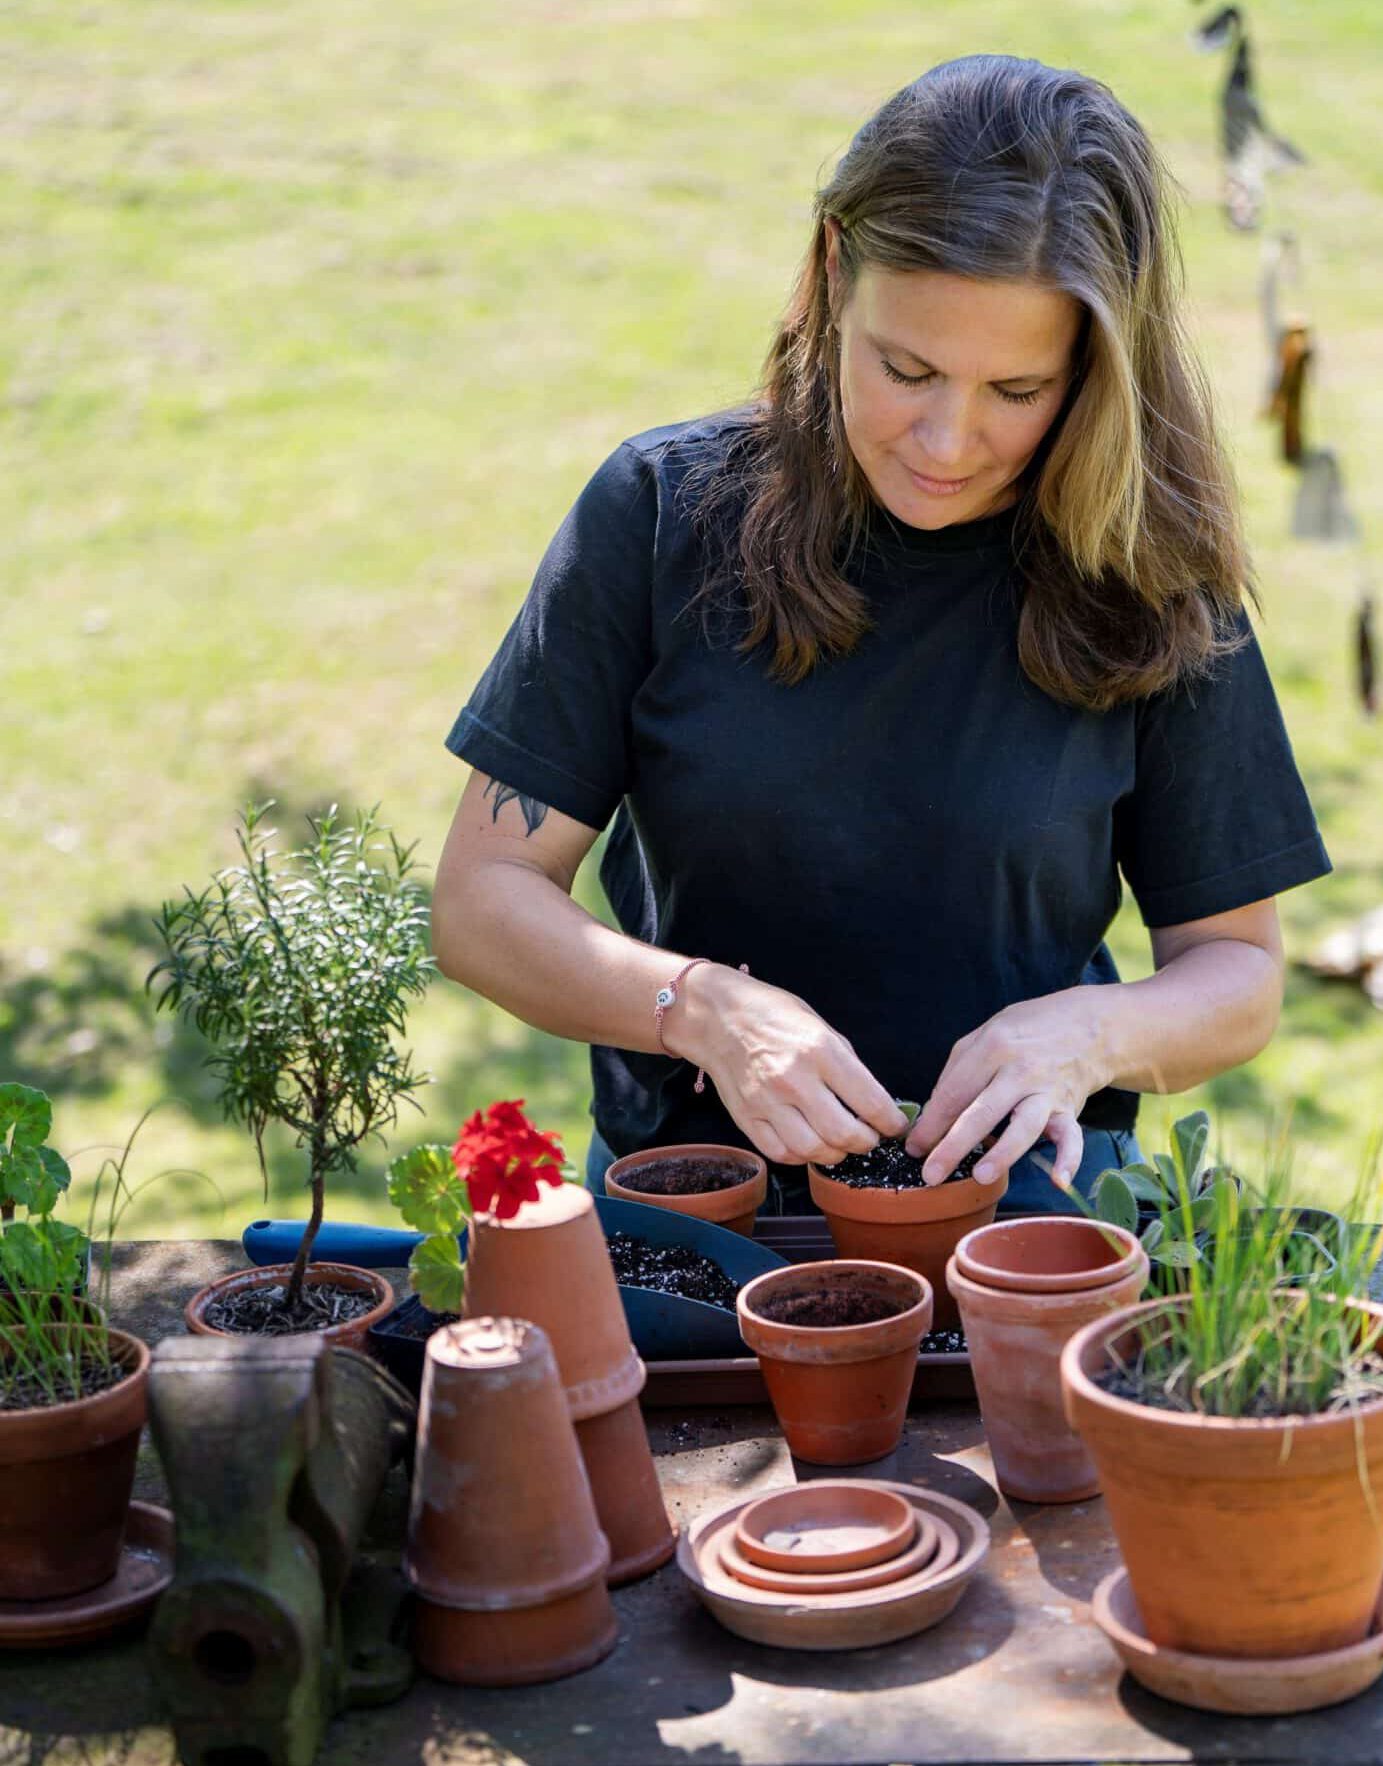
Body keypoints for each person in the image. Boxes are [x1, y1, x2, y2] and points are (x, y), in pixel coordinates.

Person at [431, 54, 1331, 1216]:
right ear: (831, 274)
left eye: (1018, 390)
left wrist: (1087, 1035)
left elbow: (1238, 975)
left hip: (1034, 1213)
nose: (949, 441)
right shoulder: (663, 513)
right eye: (906, 368)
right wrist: (698, 1008)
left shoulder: (1148, 571)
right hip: (701, 1211)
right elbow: (484, 897)